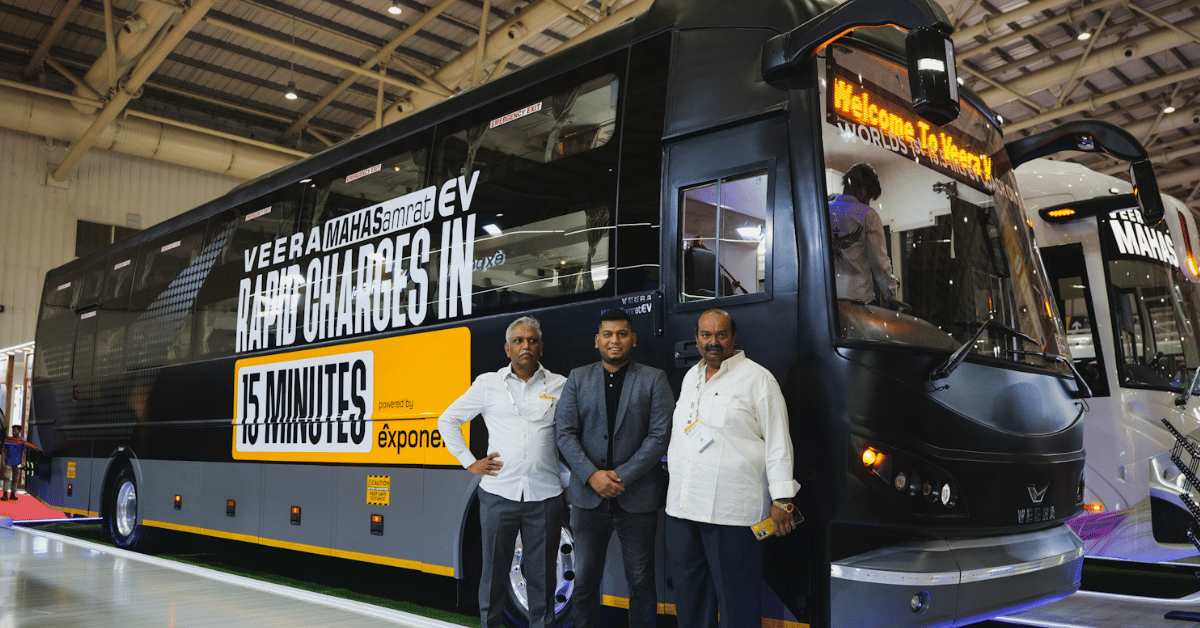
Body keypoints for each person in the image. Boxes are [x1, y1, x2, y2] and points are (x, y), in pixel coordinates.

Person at [665, 308, 800, 628]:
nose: (713, 342)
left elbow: (778, 441)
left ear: (734, 337)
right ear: (697, 338)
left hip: (732, 514)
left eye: (721, 334)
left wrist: (782, 499)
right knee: (690, 600)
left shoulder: (758, 379)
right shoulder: (691, 377)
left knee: (738, 604)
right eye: (706, 335)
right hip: (683, 509)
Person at [438, 316, 568, 628]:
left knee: (543, 577)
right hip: (499, 494)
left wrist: (567, 477)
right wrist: (469, 461)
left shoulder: (560, 385)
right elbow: (447, 420)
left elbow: (572, 434)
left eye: (532, 340)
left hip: (545, 495)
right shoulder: (488, 384)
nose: (526, 346)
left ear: (541, 348)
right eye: (518, 341)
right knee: (494, 574)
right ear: (507, 349)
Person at [555, 309, 673, 628]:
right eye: (607, 334)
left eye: (621, 334)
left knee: (642, 583)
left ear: (633, 339)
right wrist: (592, 475)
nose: (614, 340)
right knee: (584, 583)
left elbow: (660, 435)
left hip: (637, 499)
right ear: (597, 340)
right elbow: (564, 433)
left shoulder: (654, 379)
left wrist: (622, 476)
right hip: (587, 499)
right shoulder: (578, 378)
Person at [829, 163, 899, 305]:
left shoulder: (823, 210)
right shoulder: (867, 215)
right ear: (864, 191)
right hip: (858, 298)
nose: (868, 204)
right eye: (869, 199)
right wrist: (891, 295)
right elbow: (879, 264)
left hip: (827, 297)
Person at [2, 424, 30, 501]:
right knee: (6, 478)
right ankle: (5, 494)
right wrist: (2, 461)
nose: (13, 432)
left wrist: (23, 462)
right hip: (8, 461)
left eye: (15, 431)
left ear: (19, 431)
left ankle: (13, 494)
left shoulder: (23, 441)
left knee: (15, 479)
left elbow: (24, 452)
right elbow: (3, 450)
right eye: (12, 431)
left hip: (17, 462)